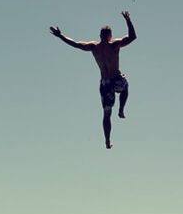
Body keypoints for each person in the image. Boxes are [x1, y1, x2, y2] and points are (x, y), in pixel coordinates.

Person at [49, 11, 137, 149]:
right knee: (124, 88)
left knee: (107, 113)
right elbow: (132, 37)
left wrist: (61, 36)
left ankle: (108, 139)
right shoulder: (114, 45)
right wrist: (128, 20)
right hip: (113, 80)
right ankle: (120, 112)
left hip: (105, 82)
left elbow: (76, 44)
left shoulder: (94, 47)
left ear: (101, 35)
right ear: (110, 36)